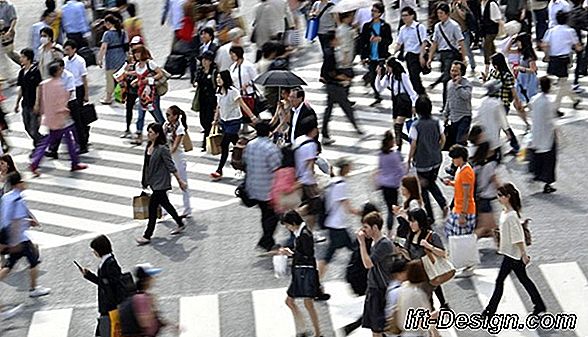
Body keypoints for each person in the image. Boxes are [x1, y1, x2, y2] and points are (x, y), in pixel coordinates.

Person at [481, 183, 546, 319]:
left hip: (514, 255)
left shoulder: (511, 216)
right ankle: (539, 305)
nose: (498, 198)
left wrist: (524, 254)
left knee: (500, 281)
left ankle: (489, 312)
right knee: (524, 280)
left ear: (508, 197)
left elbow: (518, 238)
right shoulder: (506, 212)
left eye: (500, 195)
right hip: (510, 253)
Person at [30, 62, 88, 176]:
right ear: (57, 72)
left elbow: (42, 101)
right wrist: (65, 111)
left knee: (49, 140)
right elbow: (63, 101)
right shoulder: (59, 85)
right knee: (67, 140)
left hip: (49, 116)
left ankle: (36, 162)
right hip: (60, 117)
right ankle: (74, 163)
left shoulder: (44, 84)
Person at [0, 172, 51, 298]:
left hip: (7, 234)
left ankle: (34, 288)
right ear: (18, 184)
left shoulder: (6, 197)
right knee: (33, 261)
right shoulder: (18, 200)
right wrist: (15, 241)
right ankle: (33, 289)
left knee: (10, 264)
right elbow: (16, 221)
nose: (25, 183)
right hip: (18, 237)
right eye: (23, 181)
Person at [136, 123, 188, 245]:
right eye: (148, 132)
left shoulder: (162, 149)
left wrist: (180, 180)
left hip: (161, 182)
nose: (148, 134)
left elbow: (171, 165)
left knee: (152, 208)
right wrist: (145, 180)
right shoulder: (149, 146)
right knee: (166, 204)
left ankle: (147, 235)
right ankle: (180, 223)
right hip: (153, 181)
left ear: (157, 134)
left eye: (151, 132)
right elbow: (146, 165)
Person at [280, 210, 323, 337]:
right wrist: (291, 252)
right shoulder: (300, 233)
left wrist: (291, 254)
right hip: (301, 272)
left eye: (288, 225)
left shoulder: (305, 234)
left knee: (306, 303)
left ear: (293, 223)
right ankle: (305, 330)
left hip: (305, 273)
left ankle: (313, 332)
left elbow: (308, 255)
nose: (287, 228)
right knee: (293, 302)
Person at [317, 157, 361, 279]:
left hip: (333, 223)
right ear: (345, 168)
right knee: (355, 249)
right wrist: (362, 213)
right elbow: (347, 207)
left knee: (332, 253)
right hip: (338, 225)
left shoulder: (333, 182)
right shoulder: (341, 185)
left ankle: (317, 281)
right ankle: (357, 274)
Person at [243, 121, 282, 252]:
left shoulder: (250, 145)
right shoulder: (270, 148)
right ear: (269, 133)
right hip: (268, 188)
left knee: (265, 214)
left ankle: (268, 241)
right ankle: (266, 241)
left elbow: (245, 162)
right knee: (272, 215)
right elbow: (277, 168)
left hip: (253, 186)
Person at [407, 96, 448, 224]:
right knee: (431, 182)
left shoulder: (416, 125)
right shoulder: (436, 122)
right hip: (436, 159)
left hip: (422, 161)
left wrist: (409, 159)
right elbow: (443, 139)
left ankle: (430, 216)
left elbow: (413, 145)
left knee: (423, 188)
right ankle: (443, 204)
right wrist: (437, 148)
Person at [320, 31, 365, 146]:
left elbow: (325, 70)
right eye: (337, 38)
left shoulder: (329, 52)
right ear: (332, 40)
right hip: (334, 85)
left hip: (331, 85)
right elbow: (331, 72)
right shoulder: (330, 54)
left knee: (329, 110)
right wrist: (344, 78)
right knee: (345, 106)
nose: (338, 40)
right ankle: (356, 128)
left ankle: (325, 133)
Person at [210, 70, 256, 181]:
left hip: (234, 121)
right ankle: (250, 164)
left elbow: (242, 105)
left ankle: (219, 170)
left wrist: (252, 116)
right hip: (224, 122)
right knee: (237, 144)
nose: (217, 80)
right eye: (217, 78)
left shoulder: (233, 91)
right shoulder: (219, 91)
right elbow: (219, 106)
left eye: (220, 78)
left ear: (225, 79)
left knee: (224, 144)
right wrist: (215, 119)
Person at [76, 235, 125, 337]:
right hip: (107, 306)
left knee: (105, 332)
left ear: (99, 250)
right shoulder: (106, 262)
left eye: (94, 250)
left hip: (110, 306)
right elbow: (104, 283)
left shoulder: (110, 264)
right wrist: (89, 275)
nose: (93, 252)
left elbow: (113, 284)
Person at [358, 211, 394, 337]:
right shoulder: (374, 242)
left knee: (378, 330)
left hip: (381, 290)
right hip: (374, 288)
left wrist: (362, 243)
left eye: (366, 227)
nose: (363, 230)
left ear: (375, 227)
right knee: (376, 330)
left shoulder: (384, 244)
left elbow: (368, 264)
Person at [427, 2, 467, 112]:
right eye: (438, 13)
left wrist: (464, 58)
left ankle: (446, 105)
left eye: (441, 13)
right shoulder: (437, 26)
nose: (439, 15)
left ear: (447, 14)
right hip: (443, 55)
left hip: (451, 55)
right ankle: (449, 103)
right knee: (447, 79)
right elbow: (435, 42)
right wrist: (430, 57)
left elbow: (461, 41)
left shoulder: (454, 26)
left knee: (446, 80)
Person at [542, 11, 583, 115]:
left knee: (563, 82)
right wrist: (579, 48)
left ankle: (575, 99)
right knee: (563, 83)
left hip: (553, 58)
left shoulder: (551, 31)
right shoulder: (570, 31)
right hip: (563, 59)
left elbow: (545, 44)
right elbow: (577, 46)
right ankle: (555, 107)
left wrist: (546, 55)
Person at [375, 56, 418, 151]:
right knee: (396, 129)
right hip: (396, 103)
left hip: (404, 103)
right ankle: (412, 142)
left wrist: (414, 105)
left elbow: (412, 92)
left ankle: (400, 147)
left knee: (398, 126)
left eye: (388, 67)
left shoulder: (403, 76)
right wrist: (378, 75)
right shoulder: (389, 76)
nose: (387, 69)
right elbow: (379, 88)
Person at [489, 52, 525, 154]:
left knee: (500, 125)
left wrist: (518, 103)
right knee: (502, 125)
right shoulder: (493, 72)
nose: (493, 65)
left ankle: (499, 148)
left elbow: (513, 91)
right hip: (493, 103)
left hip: (503, 104)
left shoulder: (507, 75)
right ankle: (512, 145)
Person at [129, 45, 166, 145]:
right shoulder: (137, 66)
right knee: (141, 115)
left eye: (138, 52)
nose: (136, 55)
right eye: (135, 53)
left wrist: (149, 80)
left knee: (157, 114)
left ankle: (165, 131)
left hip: (152, 93)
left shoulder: (150, 63)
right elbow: (139, 76)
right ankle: (139, 135)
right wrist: (136, 81)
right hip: (142, 94)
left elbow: (160, 73)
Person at [359, 2, 392, 107]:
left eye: (376, 11)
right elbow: (362, 42)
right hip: (371, 56)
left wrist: (380, 39)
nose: (373, 13)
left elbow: (389, 40)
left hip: (382, 55)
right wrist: (363, 56)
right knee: (373, 79)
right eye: (372, 11)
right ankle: (377, 96)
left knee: (383, 77)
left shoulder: (385, 26)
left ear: (380, 13)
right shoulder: (367, 26)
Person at [468, 126, 499, 238]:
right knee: (487, 228)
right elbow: (496, 181)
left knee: (487, 228)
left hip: (479, 196)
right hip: (485, 198)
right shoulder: (490, 165)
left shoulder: (476, 164)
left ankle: (500, 246)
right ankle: (468, 245)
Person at [529, 76, 558, 194]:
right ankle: (547, 183)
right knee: (549, 160)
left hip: (535, 133)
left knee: (537, 157)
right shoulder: (549, 102)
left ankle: (535, 175)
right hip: (547, 134)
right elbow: (551, 119)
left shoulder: (535, 99)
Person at [164, 106, 192, 217]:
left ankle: (187, 208)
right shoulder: (165, 126)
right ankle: (164, 210)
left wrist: (165, 156)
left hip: (178, 159)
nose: (167, 117)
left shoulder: (180, 129)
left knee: (183, 184)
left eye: (168, 115)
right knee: (164, 184)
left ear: (175, 116)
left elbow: (175, 146)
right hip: (168, 158)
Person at [443, 145, 476, 238]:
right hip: (458, 208)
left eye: (454, 158)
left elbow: (467, 195)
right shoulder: (460, 169)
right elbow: (460, 185)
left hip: (464, 210)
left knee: (460, 239)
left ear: (460, 158)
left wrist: (463, 215)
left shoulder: (466, 172)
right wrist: (451, 183)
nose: (452, 161)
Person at [393, 6, 428, 95]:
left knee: (414, 76)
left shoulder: (419, 27)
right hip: (408, 56)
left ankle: (421, 94)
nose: (404, 18)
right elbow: (399, 43)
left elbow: (424, 41)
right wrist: (393, 54)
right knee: (412, 77)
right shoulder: (402, 29)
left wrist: (421, 56)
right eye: (402, 16)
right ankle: (419, 94)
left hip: (417, 54)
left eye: (406, 15)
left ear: (412, 16)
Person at [375, 131, 405, 233]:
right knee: (395, 208)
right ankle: (400, 226)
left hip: (384, 184)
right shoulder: (395, 155)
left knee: (389, 208)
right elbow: (400, 170)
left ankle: (389, 229)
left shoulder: (381, 154)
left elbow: (380, 168)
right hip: (393, 185)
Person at [63, 39, 90, 153]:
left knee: (79, 117)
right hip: (68, 90)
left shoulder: (80, 61)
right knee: (74, 117)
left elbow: (84, 78)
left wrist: (86, 93)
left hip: (78, 90)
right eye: (65, 49)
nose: (66, 51)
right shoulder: (64, 61)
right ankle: (80, 137)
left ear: (74, 49)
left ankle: (83, 141)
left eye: (68, 49)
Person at [14, 48, 43, 149]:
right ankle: (40, 141)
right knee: (27, 126)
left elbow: (38, 87)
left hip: (33, 103)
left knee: (33, 129)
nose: (21, 59)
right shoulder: (22, 72)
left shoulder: (35, 71)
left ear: (28, 58)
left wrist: (37, 103)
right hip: (25, 103)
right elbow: (21, 88)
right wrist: (17, 103)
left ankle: (41, 143)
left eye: (23, 57)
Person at [473, 80, 509, 160]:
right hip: (493, 138)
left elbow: (476, 118)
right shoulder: (497, 103)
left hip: (482, 137)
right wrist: (507, 133)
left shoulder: (482, 102)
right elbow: (503, 121)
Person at [97, 14, 128, 105]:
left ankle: (108, 98)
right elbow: (126, 46)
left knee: (110, 79)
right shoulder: (122, 32)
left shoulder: (107, 34)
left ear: (108, 23)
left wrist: (100, 59)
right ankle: (123, 96)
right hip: (121, 57)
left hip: (111, 58)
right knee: (121, 79)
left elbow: (103, 47)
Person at [194, 50, 217, 152]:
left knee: (209, 122)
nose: (204, 62)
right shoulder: (200, 71)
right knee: (203, 121)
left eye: (206, 60)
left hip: (212, 101)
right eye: (203, 60)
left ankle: (206, 144)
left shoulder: (214, 72)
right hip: (202, 100)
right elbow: (197, 81)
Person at [445, 60, 472, 146]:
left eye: (456, 71)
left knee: (459, 142)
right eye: (452, 70)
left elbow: (466, 96)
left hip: (464, 117)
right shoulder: (449, 83)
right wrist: (446, 115)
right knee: (453, 143)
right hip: (453, 118)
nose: (453, 73)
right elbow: (448, 100)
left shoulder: (466, 84)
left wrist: (457, 86)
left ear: (462, 72)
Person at [511, 33, 538, 105]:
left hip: (528, 78)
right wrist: (511, 39)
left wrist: (521, 68)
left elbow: (533, 69)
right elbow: (507, 50)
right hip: (521, 77)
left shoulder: (529, 56)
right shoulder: (521, 52)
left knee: (527, 95)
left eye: (519, 41)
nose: (517, 43)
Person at [450, 0, 477, 72]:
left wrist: (457, 8)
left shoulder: (462, 6)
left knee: (467, 50)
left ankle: (472, 65)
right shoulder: (450, 6)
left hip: (463, 31)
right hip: (454, 33)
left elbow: (464, 16)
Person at [479, 0, 503, 78]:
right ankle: (499, 66)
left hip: (492, 29)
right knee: (492, 50)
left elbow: (497, 18)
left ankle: (486, 69)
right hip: (486, 29)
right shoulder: (482, 3)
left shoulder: (492, 3)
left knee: (487, 47)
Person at [0, 0, 19, 66]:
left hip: (6, 30)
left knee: (10, 52)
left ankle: (24, 64)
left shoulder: (9, 6)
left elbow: (14, 19)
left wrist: (10, 30)